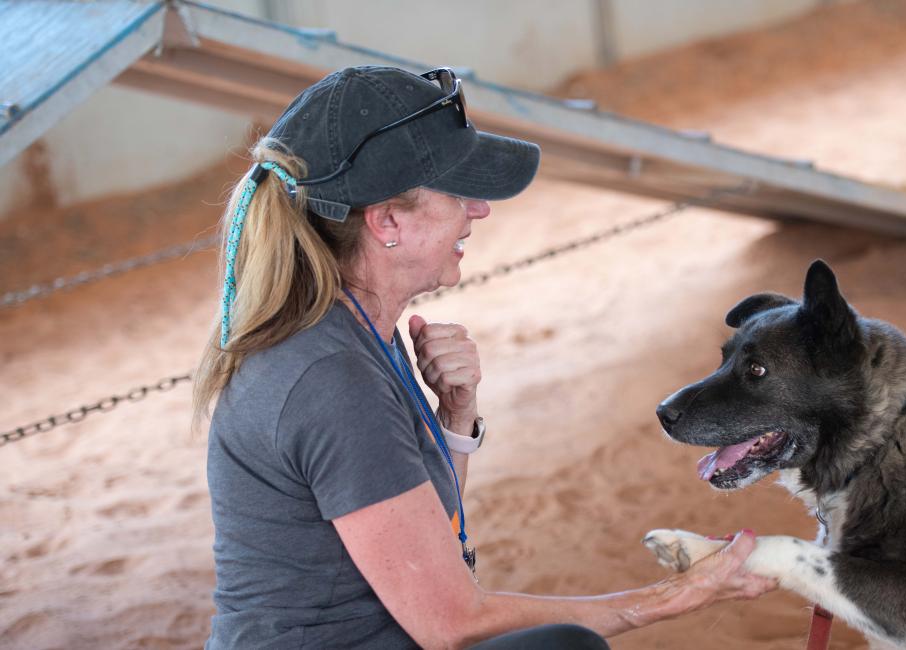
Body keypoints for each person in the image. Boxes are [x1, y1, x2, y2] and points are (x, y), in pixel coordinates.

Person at [194, 65, 777, 649]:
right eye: (457, 191)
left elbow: (427, 537)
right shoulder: (332, 379)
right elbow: (452, 622)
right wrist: (674, 597)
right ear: (388, 221)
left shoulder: (357, 330)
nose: (479, 210)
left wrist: (455, 421)